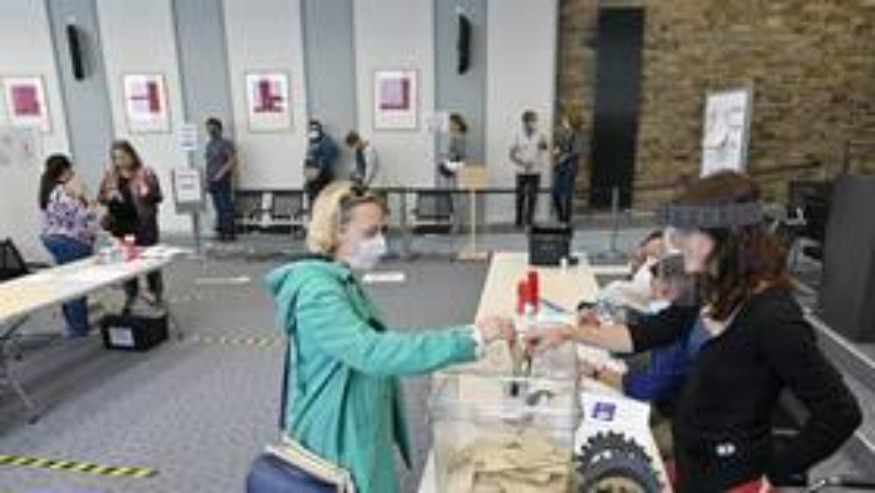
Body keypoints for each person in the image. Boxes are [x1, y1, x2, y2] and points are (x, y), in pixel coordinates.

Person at [530, 170, 862, 491]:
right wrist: (568, 332)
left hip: (735, 480)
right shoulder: (709, 288)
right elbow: (646, 334)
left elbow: (841, 412)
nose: (678, 241)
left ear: (726, 236)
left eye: (689, 232)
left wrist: (777, 472)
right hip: (692, 466)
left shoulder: (773, 318)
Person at [265, 181, 516, 493]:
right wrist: (472, 337)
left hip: (357, 419)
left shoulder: (337, 280)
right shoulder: (318, 292)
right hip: (337, 431)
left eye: (382, 231)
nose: (381, 243)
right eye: (370, 233)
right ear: (337, 231)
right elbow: (374, 352)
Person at [98, 140, 164, 310]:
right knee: (128, 264)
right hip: (122, 227)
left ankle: (156, 295)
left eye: (123, 157)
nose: (120, 161)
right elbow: (101, 198)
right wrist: (109, 196)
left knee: (150, 263)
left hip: (144, 226)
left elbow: (158, 197)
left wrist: (147, 193)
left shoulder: (145, 173)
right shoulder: (111, 176)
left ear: (132, 155)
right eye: (116, 158)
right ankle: (131, 296)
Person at [39, 154, 99, 337]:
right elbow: (83, 216)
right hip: (71, 242)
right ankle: (80, 328)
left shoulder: (48, 190)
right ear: (64, 170)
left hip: (55, 240)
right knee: (77, 286)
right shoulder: (64, 192)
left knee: (68, 284)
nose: (73, 172)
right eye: (71, 169)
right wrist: (88, 199)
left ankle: (73, 325)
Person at [509, 110, 549, 228]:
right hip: (521, 171)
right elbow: (511, 154)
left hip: (535, 172)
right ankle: (518, 221)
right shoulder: (517, 135)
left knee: (532, 198)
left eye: (535, 120)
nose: (534, 123)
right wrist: (522, 163)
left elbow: (544, 148)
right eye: (531, 120)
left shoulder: (540, 134)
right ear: (525, 122)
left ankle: (529, 221)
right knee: (520, 197)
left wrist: (544, 143)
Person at [204, 117, 237, 242]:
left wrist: (221, 173)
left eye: (212, 128)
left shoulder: (225, 143)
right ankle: (221, 231)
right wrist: (207, 181)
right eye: (208, 128)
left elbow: (232, 160)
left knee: (225, 206)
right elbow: (208, 164)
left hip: (222, 179)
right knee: (217, 206)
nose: (210, 131)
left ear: (219, 128)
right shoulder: (209, 145)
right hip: (212, 180)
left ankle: (230, 232)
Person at [551, 108, 585, 224]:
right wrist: (556, 151)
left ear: (571, 121)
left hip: (570, 168)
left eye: (565, 119)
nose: (563, 121)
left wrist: (562, 158)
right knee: (555, 192)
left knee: (567, 195)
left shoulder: (579, 135)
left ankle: (566, 219)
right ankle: (560, 216)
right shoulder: (563, 134)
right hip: (559, 167)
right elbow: (558, 148)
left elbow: (576, 152)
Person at [303, 120, 339, 206]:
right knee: (313, 199)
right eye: (310, 129)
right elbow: (310, 157)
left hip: (322, 175)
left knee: (323, 201)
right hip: (312, 176)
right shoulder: (312, 142)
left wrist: (320, 163)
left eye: (314, 129)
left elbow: (332, 154)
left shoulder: (326, 141)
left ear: (319, 129)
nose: (312, 131)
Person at [438, 112, 468, 189]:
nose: (450, 125)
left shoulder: (459, 136)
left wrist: (447, 155)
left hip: (457, 164)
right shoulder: (454, 136)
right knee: (450, 186)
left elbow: (459, 153)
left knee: (456, 187)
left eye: (452, 123)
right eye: (450, 123)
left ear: (457, 124)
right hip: (454, 163)